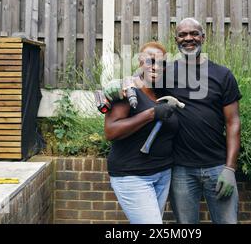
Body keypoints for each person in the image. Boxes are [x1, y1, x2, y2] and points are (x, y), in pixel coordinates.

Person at [104, 18, 242, 224]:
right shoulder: (166, 73)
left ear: (203, 37)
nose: (189, 38)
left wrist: (230, 168)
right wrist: (117, 83)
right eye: (182, 35)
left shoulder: (222, 75)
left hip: (217, 166)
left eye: (194, 33)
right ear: (176, 39)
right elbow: (141, 78)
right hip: (180, 170)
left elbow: (233, 123)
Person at [103, 41, 179, 224]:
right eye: (150, 61)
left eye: (161, 63)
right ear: (140, 63)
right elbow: (111, 131)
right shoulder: (127, 91)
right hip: (133, 176)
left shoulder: (161, 91)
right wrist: (151, 114)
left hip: (162, 173)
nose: (155, 67)